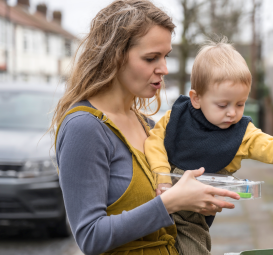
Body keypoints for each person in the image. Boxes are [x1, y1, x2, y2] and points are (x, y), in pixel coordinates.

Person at [50, 1, 239, 255]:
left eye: (165, 56)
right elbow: (91, 237)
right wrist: (170, 202)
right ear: (115, 56)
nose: (164, 69)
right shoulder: (85, 128)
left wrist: (196, 201)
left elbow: (166, 223)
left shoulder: (148, 126)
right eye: (151, 58)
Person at [144, 38, 273, 255]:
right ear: (196, 98)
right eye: (222, 105)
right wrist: (162, 178)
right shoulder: (176, 116)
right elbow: (154, 142)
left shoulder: (242, 132)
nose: (232, 113)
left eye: (240, 104)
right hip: (159, 195)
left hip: (192, 216)